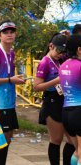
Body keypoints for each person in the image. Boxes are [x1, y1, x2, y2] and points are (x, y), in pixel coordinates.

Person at [0, 20, 25, 165]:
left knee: (7, 139)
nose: (9, 35)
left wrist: (15, 79)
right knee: (0, 141)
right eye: (5, 32)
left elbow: (8, 77)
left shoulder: (11, 53)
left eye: (12, 32)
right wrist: (10, 79)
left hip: (8, 102)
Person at [33, 33, 75, 165]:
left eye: (63, 52)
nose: (60, 54)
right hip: (51, 102)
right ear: (51, 46)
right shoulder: (45, 62)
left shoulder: (60, 59)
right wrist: (57, 80)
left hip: (64, 101)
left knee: (71, 140)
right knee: (56, 139)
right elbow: (37, 86)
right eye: (58, 51)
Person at [59, 35, 81, 165]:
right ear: (79, 49)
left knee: (77, 151)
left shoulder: (63, 66)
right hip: (79, 111)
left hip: (66, 113)